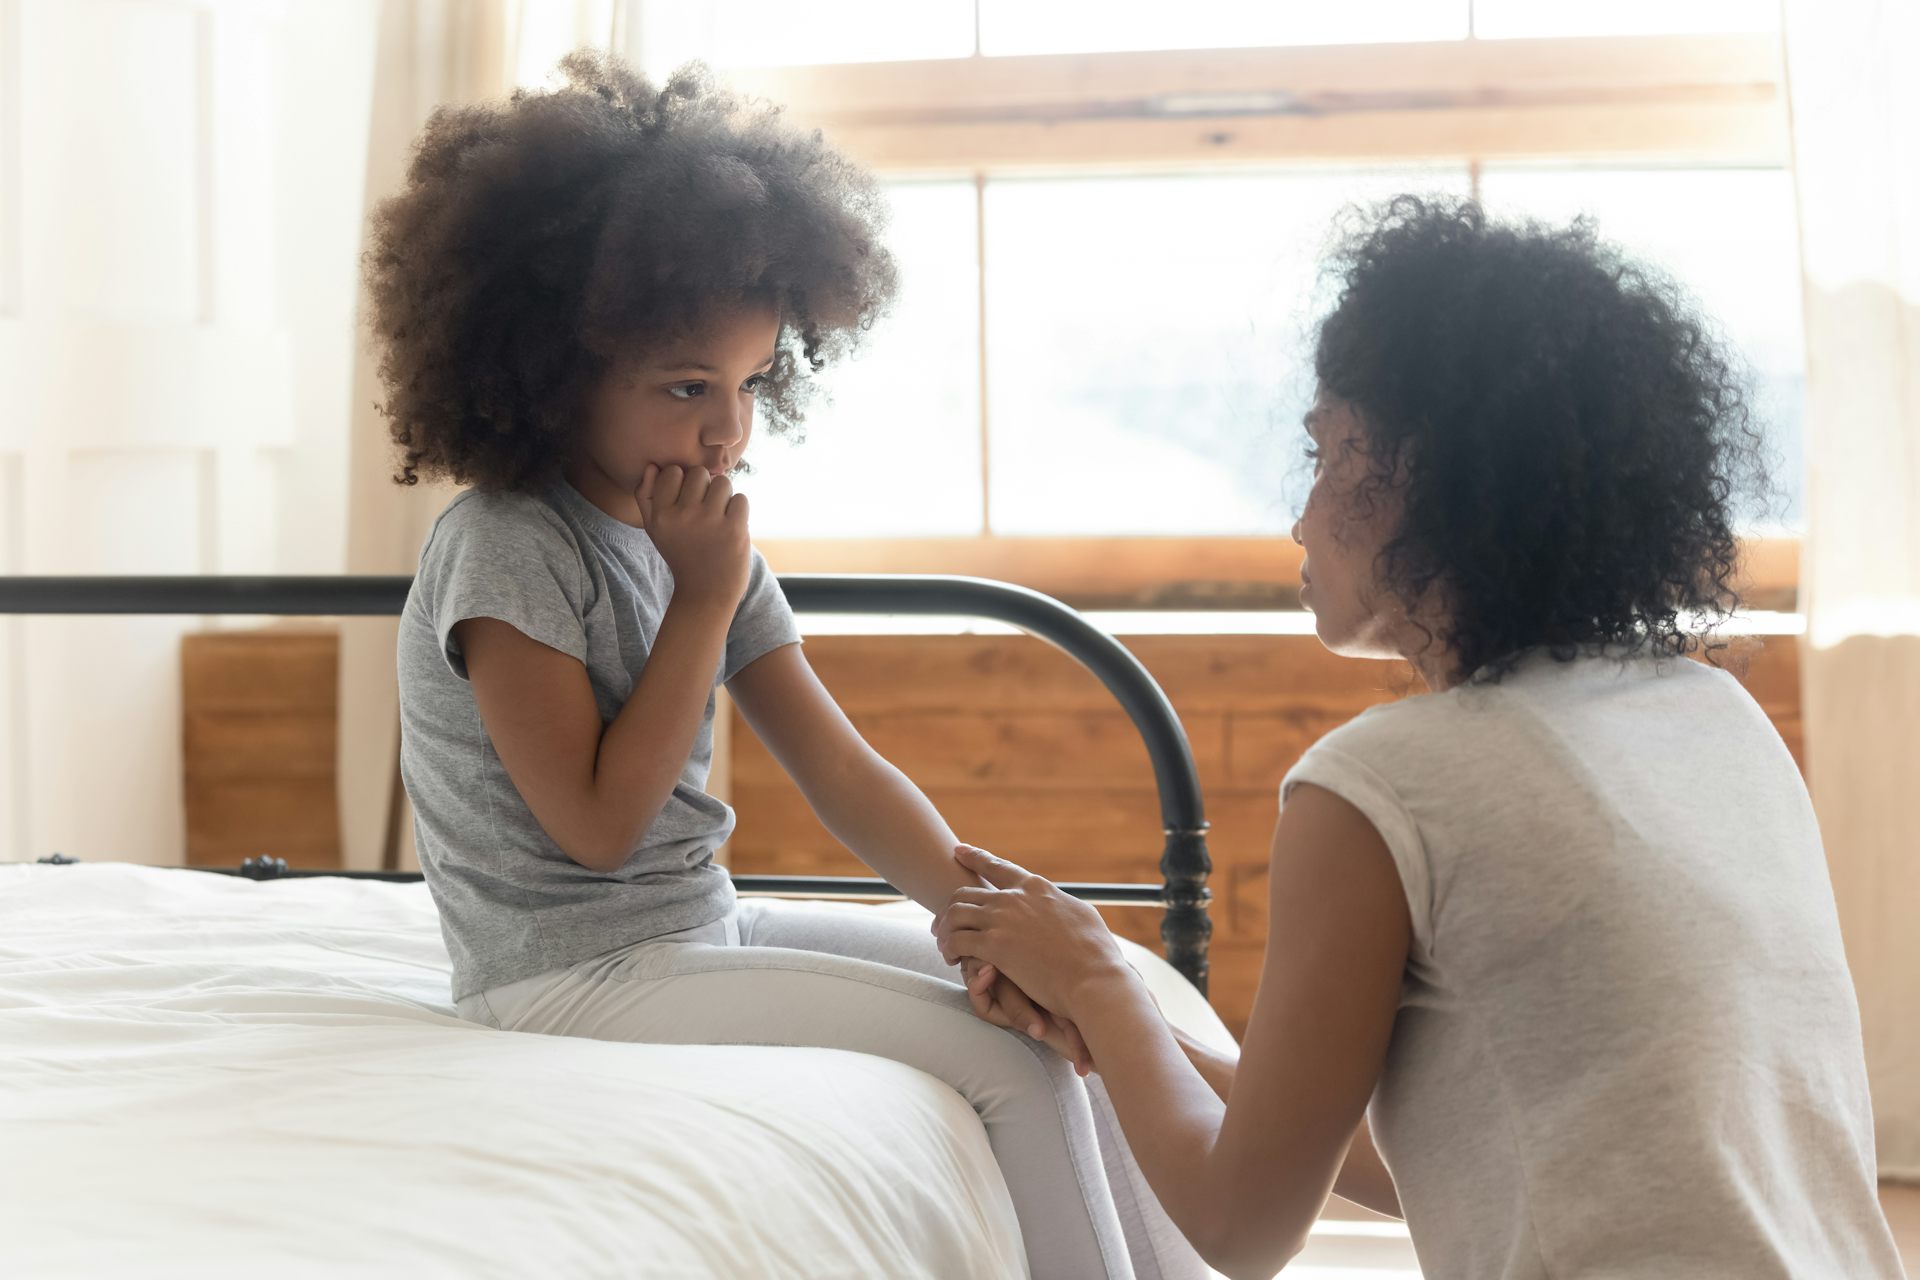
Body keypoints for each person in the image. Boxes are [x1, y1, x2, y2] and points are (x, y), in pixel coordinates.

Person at [935, 196, 1909, 1280]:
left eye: (1325, 452)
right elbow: (1509, 1143)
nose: (1299, 515)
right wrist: (1125, 1033)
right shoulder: (1713, 714)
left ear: (1429, 478)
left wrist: (1102, 977)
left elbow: (1243, 1226)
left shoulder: (1381, 783)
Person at [371, 50, 1202, 1280]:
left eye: (752, 383)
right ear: (552, 372)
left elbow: (840, 766)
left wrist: (976, 914)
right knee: (1005, 1056)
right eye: (686, 387)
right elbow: (599, 826)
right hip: (558, 978)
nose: (728, 427)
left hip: (693, 927)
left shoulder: (698, 529)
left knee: (1084, 992)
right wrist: (698, 601)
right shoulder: (509, 547)